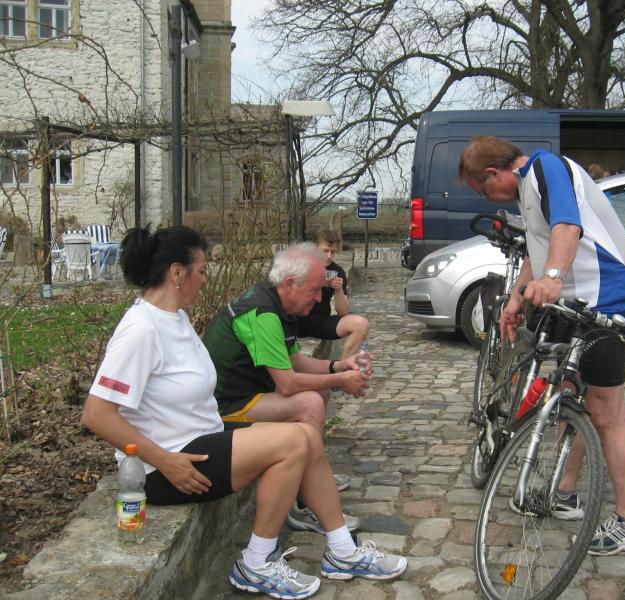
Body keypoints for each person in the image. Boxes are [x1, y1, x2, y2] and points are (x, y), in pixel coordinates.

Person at [80, 226, 406, 599]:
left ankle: (343, 551)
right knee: (293, 441)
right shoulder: (140, 329)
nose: (205, 280)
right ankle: (256, 563)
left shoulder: (175, 318)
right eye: (202, 271)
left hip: (203, 440)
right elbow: (97, 414)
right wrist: (165, 461)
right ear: (177, 273)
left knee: (305, 435)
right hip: (169, 467)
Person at [459, 136, 625, 556]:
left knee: (607, 411)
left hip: (606, 298)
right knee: (570, 394)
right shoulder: (528, 190)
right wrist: (518, 295)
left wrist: (552, 277)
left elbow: (567, 227)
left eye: (483, 190)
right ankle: (564, 493)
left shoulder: (546, 168)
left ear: (494, 173)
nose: (487, 198)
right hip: (576, 302)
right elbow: (540, 248)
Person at [202, 242, 371, 529]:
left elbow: (296, 362)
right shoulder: (263, 314)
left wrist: (340, 366)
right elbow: (289, 384)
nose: (319, 298)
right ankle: (305, 502)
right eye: (315, 290)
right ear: (290, 283)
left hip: (248, 393)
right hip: (222, 407)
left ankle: (309, 479)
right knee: (309, 402)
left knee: (319, 390)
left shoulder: (278, 303)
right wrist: (342, 380)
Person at [297, 229, 369, 361]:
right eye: (324, 251)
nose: (329, 256)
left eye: (333, 252)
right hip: (296, 321)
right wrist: (319, 283)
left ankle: (343, 368)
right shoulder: (301, 266)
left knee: (361, 324)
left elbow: (343, 312)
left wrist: (339, 289)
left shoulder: (337, 271)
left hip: (320, 322)